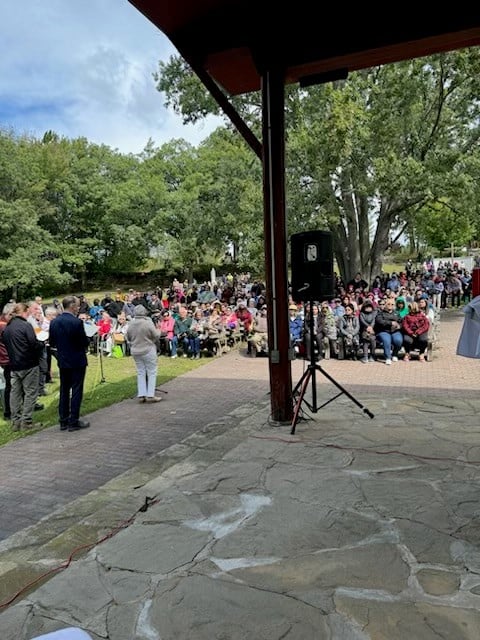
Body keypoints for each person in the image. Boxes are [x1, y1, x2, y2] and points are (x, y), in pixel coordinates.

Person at [49, 296, 90, 432]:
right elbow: (84, 342)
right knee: (77, 390)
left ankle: (63, 420)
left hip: (63, 360)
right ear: (72, 306)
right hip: (77, 360)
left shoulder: (54, 322)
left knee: (64, 390)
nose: (78, 308)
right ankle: (73, 421)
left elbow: (52, 342)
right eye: (77, 306)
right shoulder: (76, 322)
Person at [2, 302, 45, 430]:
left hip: (14, 365)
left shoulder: (8, 328)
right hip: (28, 363)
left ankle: (15, 422)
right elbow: (33, 343)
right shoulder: (25, 325)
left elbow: (5, 342)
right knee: (30, 393)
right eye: (28, 312)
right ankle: (26, 421)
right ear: (24, 312)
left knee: (15, 393)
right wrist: (42, 344)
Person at [126, 305, 161, 403]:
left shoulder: (131, 324)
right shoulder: (148, 323)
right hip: (148, 349)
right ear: (144, 312)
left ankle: (141, 394)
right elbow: (156, 335)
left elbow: (128, 337)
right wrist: (159, 329)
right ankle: (150, 394)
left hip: (135, 351)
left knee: (140, 372)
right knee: (152, 372)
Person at [374, 297, 403, 365]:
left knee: (398, 340)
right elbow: (379, 321)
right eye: (388, 304)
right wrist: (390, 323)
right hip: (384, 331)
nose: (390, 305)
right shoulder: (381, 313)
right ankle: (388, 357)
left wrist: (399, 326)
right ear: (385, 305)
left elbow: (401, 321)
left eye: (392, 304)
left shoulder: (396, 313)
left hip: (395, 331)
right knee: (386, 340)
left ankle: (395, 354)